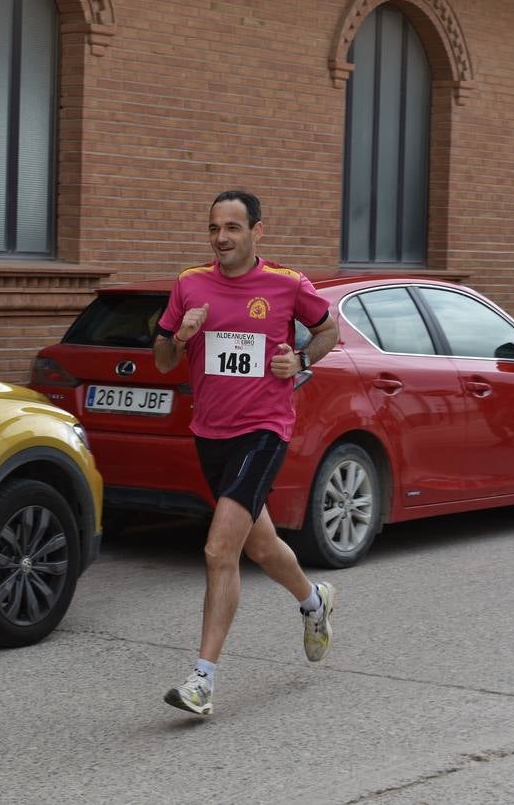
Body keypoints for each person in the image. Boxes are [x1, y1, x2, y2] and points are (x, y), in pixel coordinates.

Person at [153, 190, 340, 717]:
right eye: (215, 227)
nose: (221, 238)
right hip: (210, 434)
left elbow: (329, 329)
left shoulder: (285, 284)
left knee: (219, 550)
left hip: (264, 430)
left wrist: (300, 358)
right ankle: (313, 601)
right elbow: (164, 360)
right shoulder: (189, 283)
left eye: (233, 228)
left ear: (258, 232)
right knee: (261, 546)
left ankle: (202, 680)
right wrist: (182, 335)